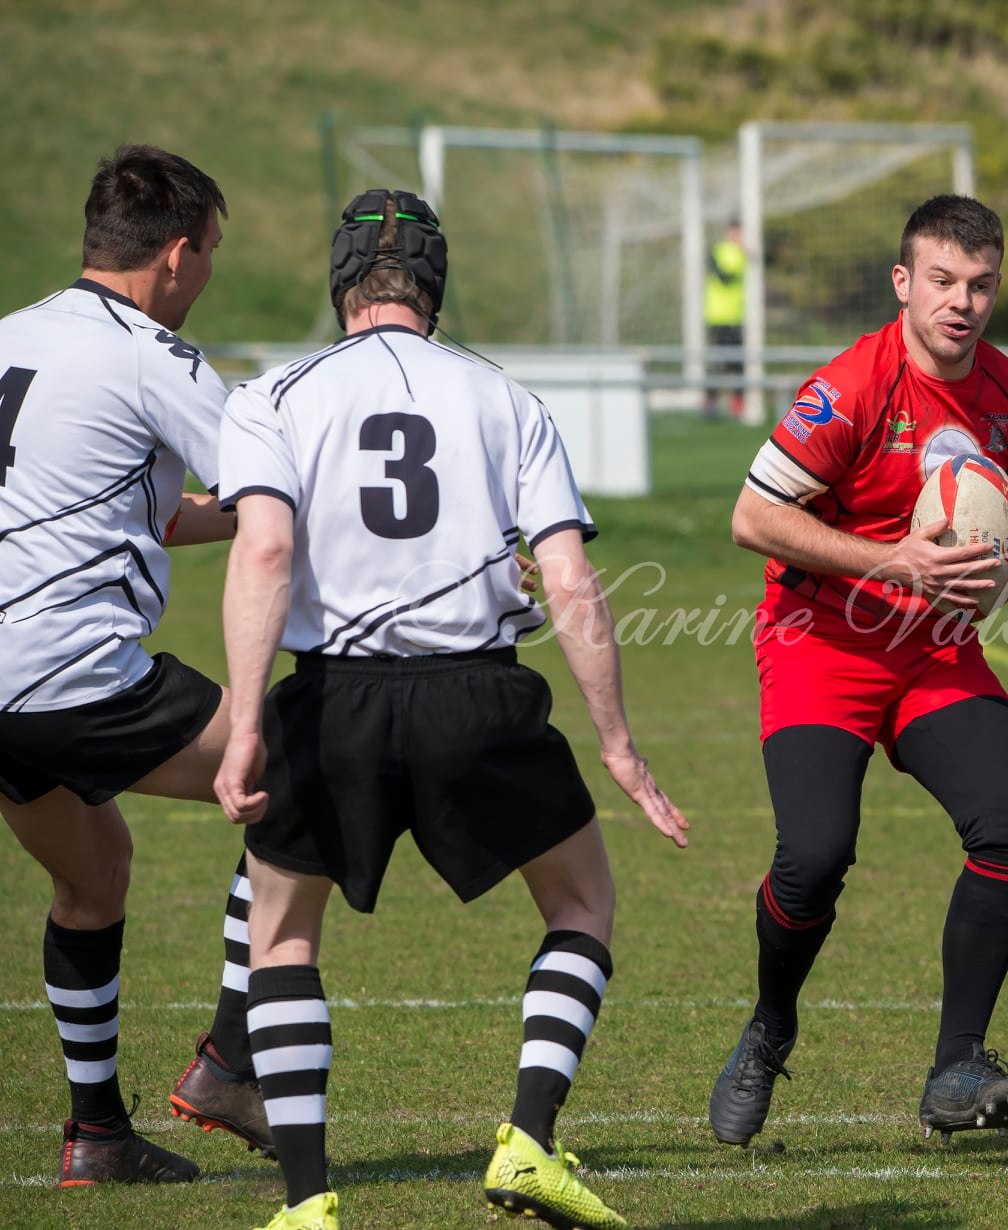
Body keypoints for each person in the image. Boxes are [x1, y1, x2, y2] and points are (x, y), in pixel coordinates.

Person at [213, 188, 689, 1230]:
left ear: (341, 283)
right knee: (581, 904)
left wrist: (245, 725)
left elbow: (265, 551)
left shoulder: (273, 395)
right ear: (436, 285)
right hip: (478, 696)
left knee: (281, 941)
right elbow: (568, 580)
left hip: (329, 699)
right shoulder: (505, 397)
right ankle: (529, 1142)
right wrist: (618, 744)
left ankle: (307, 1203)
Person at [710, 194, 1008, 1147]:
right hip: (819, 640)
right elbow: (752, 517)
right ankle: (769, 1027)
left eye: (980, 285)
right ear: (904, 283)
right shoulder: (851, 388)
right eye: (942, 281)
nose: (962, 302)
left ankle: (957, 1068)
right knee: (815, 855)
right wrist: (892, 562)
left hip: (935, 647)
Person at [0, 144, 274, 1185]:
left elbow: (132, 507)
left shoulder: (14, 336)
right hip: (68, 674)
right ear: (174, 254)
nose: (207, 274)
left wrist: (232, 516)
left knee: (94, 874)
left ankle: (98, 1136)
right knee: (304, 774)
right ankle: (231, 1063)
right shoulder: (155, 357)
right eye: (211, 252)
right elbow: (276, 489)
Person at [704, 222, 746, 420]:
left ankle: (738, 403)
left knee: (738, 362)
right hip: (718, 316)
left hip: (737, 317)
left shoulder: (743, 253)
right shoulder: (719, 251)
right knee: (717, 361)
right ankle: (710, 401)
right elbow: (722, 276)